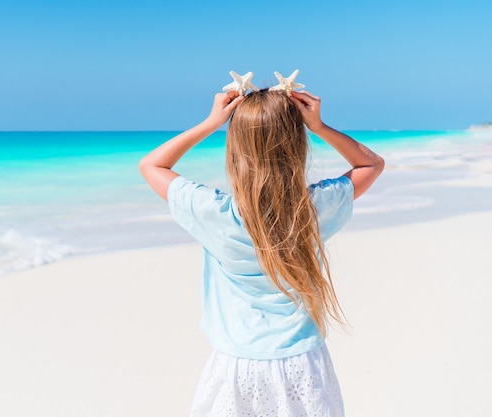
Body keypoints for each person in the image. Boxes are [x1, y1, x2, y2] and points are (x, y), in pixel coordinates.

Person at [138, 84, 384, 417]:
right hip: (303, 362)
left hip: (237, 366)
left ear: (235, 150)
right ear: (297, 146)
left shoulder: (215, 214)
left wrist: (210, 124)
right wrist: (318, 126)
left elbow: (151, 166)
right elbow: (371, 165)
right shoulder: (311, 209)